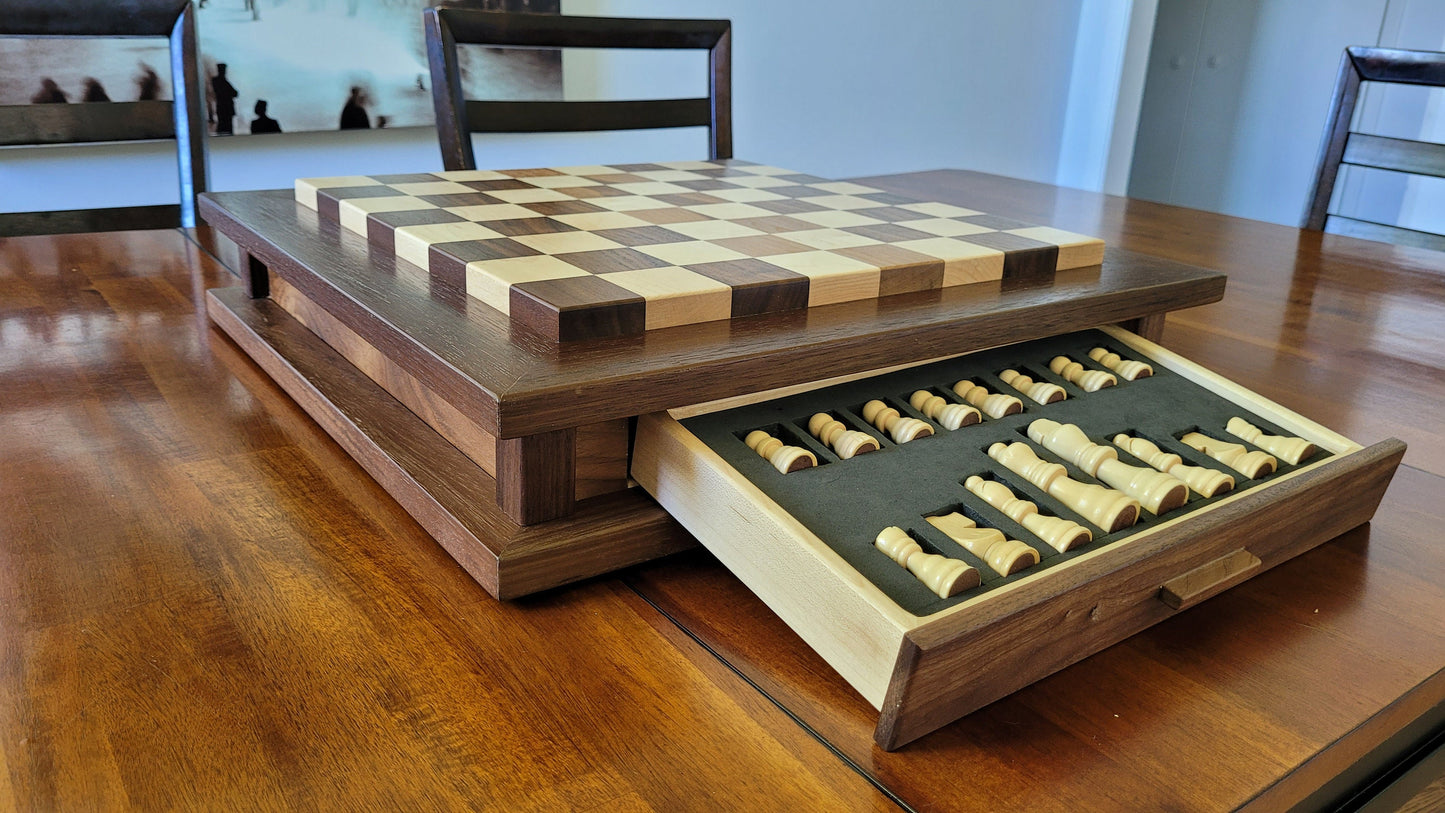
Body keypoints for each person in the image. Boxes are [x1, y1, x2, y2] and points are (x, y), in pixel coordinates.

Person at [212, 63, 238, 134]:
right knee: (225, 128)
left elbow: (235, 93)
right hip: (225, 109)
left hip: (224, 109)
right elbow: (234, 93)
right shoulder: (220, 81)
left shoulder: (220, 81)